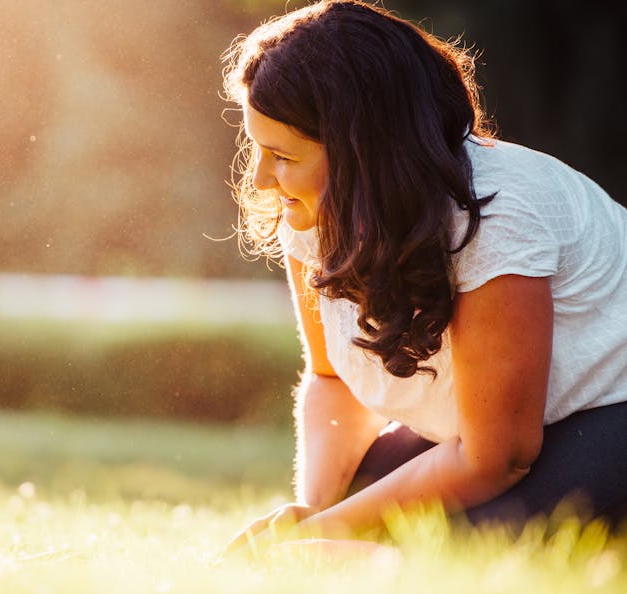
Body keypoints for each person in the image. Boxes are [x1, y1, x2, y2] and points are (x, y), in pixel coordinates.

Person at [222, 0, 627, 555]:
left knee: (442, 541)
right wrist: (316, 512)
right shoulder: (313, 206)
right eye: (258, 149)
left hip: (608, 411)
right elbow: (333, 381)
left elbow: (498, 457)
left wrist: (327, 535)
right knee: (364, 498)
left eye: (283, 156)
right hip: (501, 435)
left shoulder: (497, 216)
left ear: (360, 154)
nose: (263, 178)